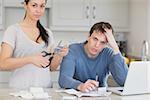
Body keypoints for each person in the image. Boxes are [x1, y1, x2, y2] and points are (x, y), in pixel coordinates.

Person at [0, 0, 68, 89]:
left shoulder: (48, 33)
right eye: (34, 5)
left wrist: (59, 55)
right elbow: (3, 64)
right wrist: (30, 59)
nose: (38, 10)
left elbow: (51, 67)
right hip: (19, 90)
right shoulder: (13, 31)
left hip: (45, 90)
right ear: (25, 5)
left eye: (42, 6)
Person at [59, 22, 128, 92]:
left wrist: (115, 48)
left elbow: (124, 82)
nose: (97, 45)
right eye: (95, 39)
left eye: (102, 42)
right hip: (76, 95)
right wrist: (81, 86)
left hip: (101, 96)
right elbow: (63, 79)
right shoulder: (73, 50)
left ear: (107, 44)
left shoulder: (108, 54)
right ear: (88, 36)